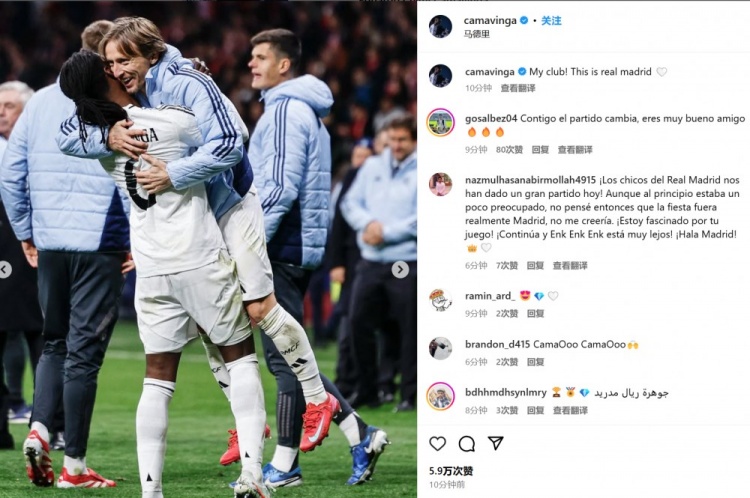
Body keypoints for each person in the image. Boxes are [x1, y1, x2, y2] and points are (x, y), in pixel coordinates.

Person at [55, 15, 337, 491]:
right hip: (193, 242)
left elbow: (231, 140)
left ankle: (316, 398)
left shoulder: (179, 86)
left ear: (151, 54)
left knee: (254, 311)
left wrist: (159, 164)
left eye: (124, 60)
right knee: (229, 342)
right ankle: (251, 447)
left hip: (215, 216)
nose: (118, 69)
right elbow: (219, 131)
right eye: (110, 64)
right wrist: (112, 132)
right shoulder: (156, 119)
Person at [59, 48, 270, 498]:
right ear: (106, 74)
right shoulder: (172, 122)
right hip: (199, 256)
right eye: (110, 64)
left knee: (157, 379)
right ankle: (253, 474)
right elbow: (229, 133)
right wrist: (196, 77)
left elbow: (68, 134)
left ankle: (150, 492)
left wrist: (104, 131)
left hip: (150, 268)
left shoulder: (105, 140)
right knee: (241, 361)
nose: (118, 68)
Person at [247, 28, 388, 487]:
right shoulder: (302, 109)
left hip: (279, 244)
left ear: (284, 64)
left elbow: (279, 187)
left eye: (260, 56)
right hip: (296, 244)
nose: (251, 63)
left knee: (286, 359)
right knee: (293, 354)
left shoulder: (285, 110)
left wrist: (249, 244)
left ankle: (286, 463)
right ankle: (360, 435)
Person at [0, 20, 130, 488]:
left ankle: (38, 428)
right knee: (84, 354)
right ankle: (73, 464)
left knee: (53, 342)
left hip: (51, 244)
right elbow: (132, 174)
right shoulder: (117, 104)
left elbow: (11, 174)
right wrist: (136, 238)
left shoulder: (38, 102)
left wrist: (26, 233)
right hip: (100, 244)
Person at [341, 115, 418, 413]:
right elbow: (350, 203)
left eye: (403, 140)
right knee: (358, 322)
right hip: (371, 259)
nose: (396, 145)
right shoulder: (372, 166)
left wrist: (385, 232)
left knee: (409, 329)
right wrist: (368, 224)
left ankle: (409, 393)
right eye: (393, 139)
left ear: (414, 141)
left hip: (406, 260)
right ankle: (368, 390)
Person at [0, 81, 44, 428]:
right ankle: (13, 401)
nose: (1, 112)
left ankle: (45, 414)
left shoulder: (39, 147)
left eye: (9, 106)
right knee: (9, 324)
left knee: (41, 328)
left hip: (38, 244)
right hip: (7, 246)